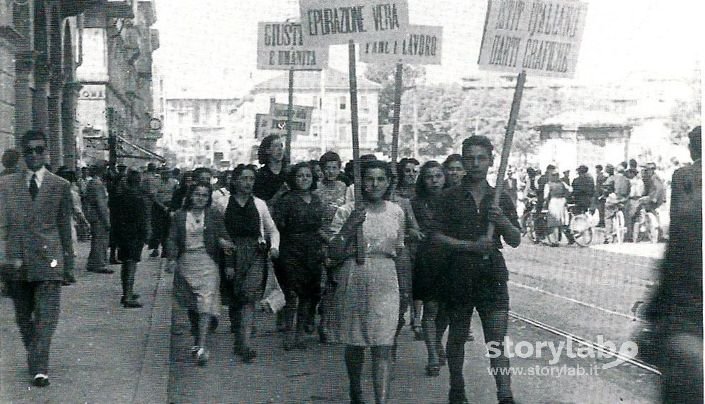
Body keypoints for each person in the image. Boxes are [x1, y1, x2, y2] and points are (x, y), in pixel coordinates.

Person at [432, 136, 521, 404]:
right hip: (458, 273)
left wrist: (502, 220)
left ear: (491, 161)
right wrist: (471, 245)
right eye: (469, 158)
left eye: (481, 158)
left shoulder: (500, 197)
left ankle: (504, 394)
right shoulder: (450, 197)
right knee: (458, 335)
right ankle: (457, 388)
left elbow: (515, 239)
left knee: (496, 338)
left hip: (491, 274)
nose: (475, 163)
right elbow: (436, 236)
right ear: (462, 160)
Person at [0, 130, 76, 387]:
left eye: (39, 149)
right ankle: (36, 356)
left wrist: (68, 263)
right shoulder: (7, 185)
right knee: (23, 317)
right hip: (17, 259)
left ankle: (39, 366)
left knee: (46, 316)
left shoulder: (60, 185)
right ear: (23, 154)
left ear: (46, 152)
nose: (34, 155)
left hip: (49, 259)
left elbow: (65, 227)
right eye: (29, 150)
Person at [328, 159, 405, 404]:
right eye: (369, 179)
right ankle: (356, 390)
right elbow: (333, 252)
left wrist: (406, 289)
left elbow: (400, 251)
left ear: (388, 182)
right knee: (356, 341)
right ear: (360, 182)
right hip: (355, 275)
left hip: (386, 278)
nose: (374, 184)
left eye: (380, 179)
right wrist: (350, 227)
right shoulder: (347, 211)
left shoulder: (396, 211)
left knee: (383, 343)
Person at [639, 126, 701, 403]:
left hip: (687, 320)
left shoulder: (684, 176)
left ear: (692, 148)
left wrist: (652, 314)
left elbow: (678, 231)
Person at [166, 183, 234, 366]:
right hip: (186, 263)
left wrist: (226, 255)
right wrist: (171, 258)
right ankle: (197, 336)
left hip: (208, 263)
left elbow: (225, 238)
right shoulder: (180, 216)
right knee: (191, 304)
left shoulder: (214, 215)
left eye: (204, 195)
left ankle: (202, 345)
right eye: (197, 194)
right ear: (190, 196)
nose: (200, 198)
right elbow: (172, 238)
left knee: (205, 302)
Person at [223, 164, 280, 363]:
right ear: (235, 180)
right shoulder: (222, 202)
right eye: (244, 178)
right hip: (230, 253)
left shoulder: (259, 204)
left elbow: (272, 229)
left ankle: (246, 344)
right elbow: (216, 229)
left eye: (251, 179)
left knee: (249, 297)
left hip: (255, 253)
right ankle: (239, 338)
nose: (248, 183)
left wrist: (274, 247)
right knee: (235, 298)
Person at [272, 162, 325, 350]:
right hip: (291, 248)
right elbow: (277, 224)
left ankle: (301, 331)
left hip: (313, 249)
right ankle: (289, 332)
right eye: (300, 176)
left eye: (308, 176)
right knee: (292, 292)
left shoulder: (317, 199)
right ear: (293, 179)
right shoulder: (287, 200)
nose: (304, 179)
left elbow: (319, 226)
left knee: (308, 293)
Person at [411, 161, 449, 377]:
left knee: (446, 310)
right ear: (423, 180)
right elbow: (407, 227)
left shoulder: (453, 200)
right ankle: (432, 354)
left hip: (450, 259)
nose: (434, 181)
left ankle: (436, 341)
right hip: (427, 258)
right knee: (431, 308)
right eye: (429, 177)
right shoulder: (415, 203)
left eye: (438, 176)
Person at [313, 151, 348, 343]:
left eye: (335, 168)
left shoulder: (344, 188)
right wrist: (326, 238)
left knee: (335, 285)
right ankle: (312, 315)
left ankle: (326, 324)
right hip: (320, 239)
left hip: (339, 240)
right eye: (328, 168)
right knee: (320, 284)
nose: (331, 171)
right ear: (321, 169)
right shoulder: (316, 189)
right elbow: (314, 220)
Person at [113, 168, 146, 308]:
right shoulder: (138, 198)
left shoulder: (121, 196)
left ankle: (126, 293)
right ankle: (128, 296)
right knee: (131, 266)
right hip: (134, 235)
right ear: (138, 181)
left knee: (126, 265)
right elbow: (141, 220)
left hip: (122, 235)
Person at [84, 161, 113, 273]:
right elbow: (100, 204)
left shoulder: (94, 182)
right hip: (98, 216)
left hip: (94, 215)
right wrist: (106, 221)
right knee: (101, 240)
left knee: (97, 239)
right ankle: (99, 264)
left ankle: (92, 262)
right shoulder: (97, 184)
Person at [253, 134, 288, 203]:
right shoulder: (261, 176)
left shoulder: (289, 172)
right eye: (276, 146)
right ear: (267, 150)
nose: (280, 149)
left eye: (281, 145)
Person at [544, 170, 571, 246]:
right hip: (562, 201)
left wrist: (546, 202)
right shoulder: (562, 183)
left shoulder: (548, 184)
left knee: (554, 222)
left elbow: (545, 196)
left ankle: (555, 240)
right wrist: (565, 197)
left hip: (554, 202)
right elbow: (570, 190)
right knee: (562, 221)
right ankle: (565, 238)